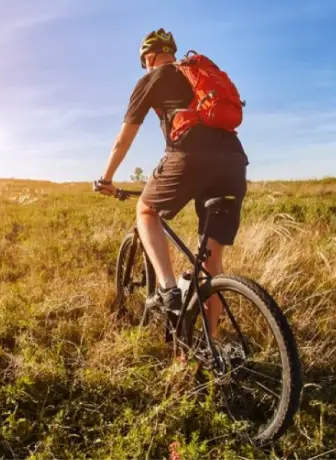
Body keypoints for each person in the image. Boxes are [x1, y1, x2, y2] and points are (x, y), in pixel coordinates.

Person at [94, 28, 249, 337]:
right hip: (233, 158)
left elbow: (123, 139)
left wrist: (107, 178)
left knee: (146, 211)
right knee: (211, 261)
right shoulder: (200, 74)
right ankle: (210, 342)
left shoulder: (152, 78)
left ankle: (167, 289)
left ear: (148, 58)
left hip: (189, 153)